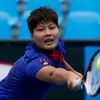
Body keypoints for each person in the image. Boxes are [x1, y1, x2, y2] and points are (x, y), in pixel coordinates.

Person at [0, 7, 82, 100]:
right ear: (32, 36)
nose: (48, 33)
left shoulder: (56, 43)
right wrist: (68, 76)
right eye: (41, 29)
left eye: (52, 27)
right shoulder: (32, 62)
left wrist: (73, 72)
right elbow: (53, 74)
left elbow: (59, 58)